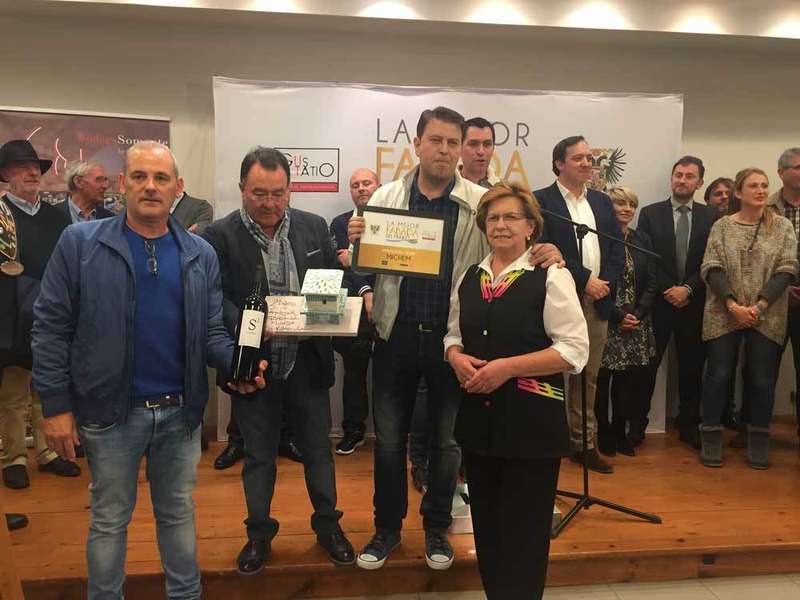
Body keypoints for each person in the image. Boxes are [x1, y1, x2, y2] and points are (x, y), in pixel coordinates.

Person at [32, 141, 266, 599]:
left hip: (180, 413)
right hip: (110, 414)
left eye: (161, 178)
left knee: (177, 514)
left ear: (178, 187)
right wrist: (56, 406)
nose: (150, 187)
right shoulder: (80, 245)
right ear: (122, 184)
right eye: (139, 176)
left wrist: (237, 365)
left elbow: (212, 332)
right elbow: (50, 327)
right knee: (109, 519)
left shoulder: (199, 254)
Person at [348, 106, 562, 572]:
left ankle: (436, 528)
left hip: (453, 343)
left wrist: (545, 249)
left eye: (452, 142)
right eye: (436, 140)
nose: (444, 150)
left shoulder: (480, 202)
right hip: (395, 335)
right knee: (389, 442)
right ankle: (386, 529)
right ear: (417, 145)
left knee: (447, 443)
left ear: (461, 148)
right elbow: (365, 264)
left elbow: (510, 249)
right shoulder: (385, 196)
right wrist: (358, 241)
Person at [202, 147, 357, 575]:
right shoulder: (219, 235)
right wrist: (252, 322)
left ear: (290, 190)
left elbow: (330, 284)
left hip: (307, 364)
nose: (269, 202)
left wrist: (334, 304)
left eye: (278, 193)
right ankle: (258, 535)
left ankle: (329, 527)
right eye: (259, 193)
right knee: (258, 456)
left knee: (318, 452)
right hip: (255, 366)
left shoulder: (314, 227)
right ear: (242, 189)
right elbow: (218, 299)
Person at [445, 182, 588, 599]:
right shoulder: (469, 278)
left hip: (531, 426)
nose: (501, 225)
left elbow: (574, 349)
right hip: (480, 424)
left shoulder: (551, 275)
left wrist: (507, 368)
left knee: (525, 536)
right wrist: (454, 357)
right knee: (489, 531)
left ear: (531, 227)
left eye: (511, 217)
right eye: (493, 218)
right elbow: (453, 335)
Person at [535, 135, 624, 473]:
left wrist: (603, 286)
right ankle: (548, 439)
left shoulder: (601, 201)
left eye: (590, 158)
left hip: (597, 302)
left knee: (588, 376)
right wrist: (585, 279)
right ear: (559, 163)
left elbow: (616, 248)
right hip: (556, 302)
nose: (587, 163)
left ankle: (582, 443)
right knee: (548, 373)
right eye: (579, 158)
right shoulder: (541, 201)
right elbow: (541, 249)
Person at [699, 168, 797, 469]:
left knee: (762, 379)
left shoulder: (781, 227)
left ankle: (758, 439)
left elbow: (787, 268)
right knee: (718, 375)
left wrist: (759, 306)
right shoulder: (722, 226)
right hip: (723, 312)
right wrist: (732, 305)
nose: (760, 190)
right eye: (753, 185)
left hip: (767, 314)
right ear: (739, 193)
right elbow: (711, 266)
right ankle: (711, 436)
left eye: (764, 185)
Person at [0, 139, 80, 491]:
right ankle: (15, 457)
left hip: (52, 314)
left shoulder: (56, 217)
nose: (32, 173)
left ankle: (47, 452)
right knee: (14, 392)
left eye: (35, 167)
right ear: (6, 174)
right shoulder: (1, 216)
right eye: (22, 168)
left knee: (47, 386)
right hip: (11, 315)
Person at [637, 156, 716, 449]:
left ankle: (688, 425)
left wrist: (688, 289)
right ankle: (637, 426)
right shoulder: (650, 213)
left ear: (700, 182)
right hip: (658, 303)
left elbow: (711, 260)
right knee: (647, 368)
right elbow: (646, 258)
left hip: (694, 304)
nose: (682, 180)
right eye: (678, 175)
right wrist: (670, 289)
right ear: (672, 178)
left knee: (692, 368)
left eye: (689, 176)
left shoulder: (712, 217)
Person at [594, 186, 657, 455]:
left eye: (631, 204)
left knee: (626, 383)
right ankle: (604, 432)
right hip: (606, 319)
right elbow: (594, 282)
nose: (627, 209)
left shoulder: (642, 239)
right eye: (620, 203)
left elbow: (652, 281)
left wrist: (638, 314)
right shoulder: (598, 238)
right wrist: (617, 316)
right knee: (601, 381)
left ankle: (620, 432)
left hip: (635, 323)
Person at [329, 168, 378, 455]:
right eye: (355, 184)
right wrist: (365, 287)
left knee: (390, 376)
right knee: (354, 374)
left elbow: (393, 264)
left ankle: (390, 434)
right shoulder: (339, 223)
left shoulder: (394, 223)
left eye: (367, 183)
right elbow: (341, 267)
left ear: (378, 186)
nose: (361, 188)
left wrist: (356, 259)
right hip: (354, 313)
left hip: (388, 307)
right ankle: (353, 430)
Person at [767, 148, 800, 440]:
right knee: (762, 370)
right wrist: (780, 289)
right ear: (781, 172)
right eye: (798, 167)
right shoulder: (765, 207)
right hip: (773, 301)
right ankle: (755, 429)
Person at [459, 117, 500, 188]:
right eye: (473, 144)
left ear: (493, 148)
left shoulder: (503, 191)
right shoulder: (444, 187)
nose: (481, 151)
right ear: (460, 147)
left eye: (487, 144)